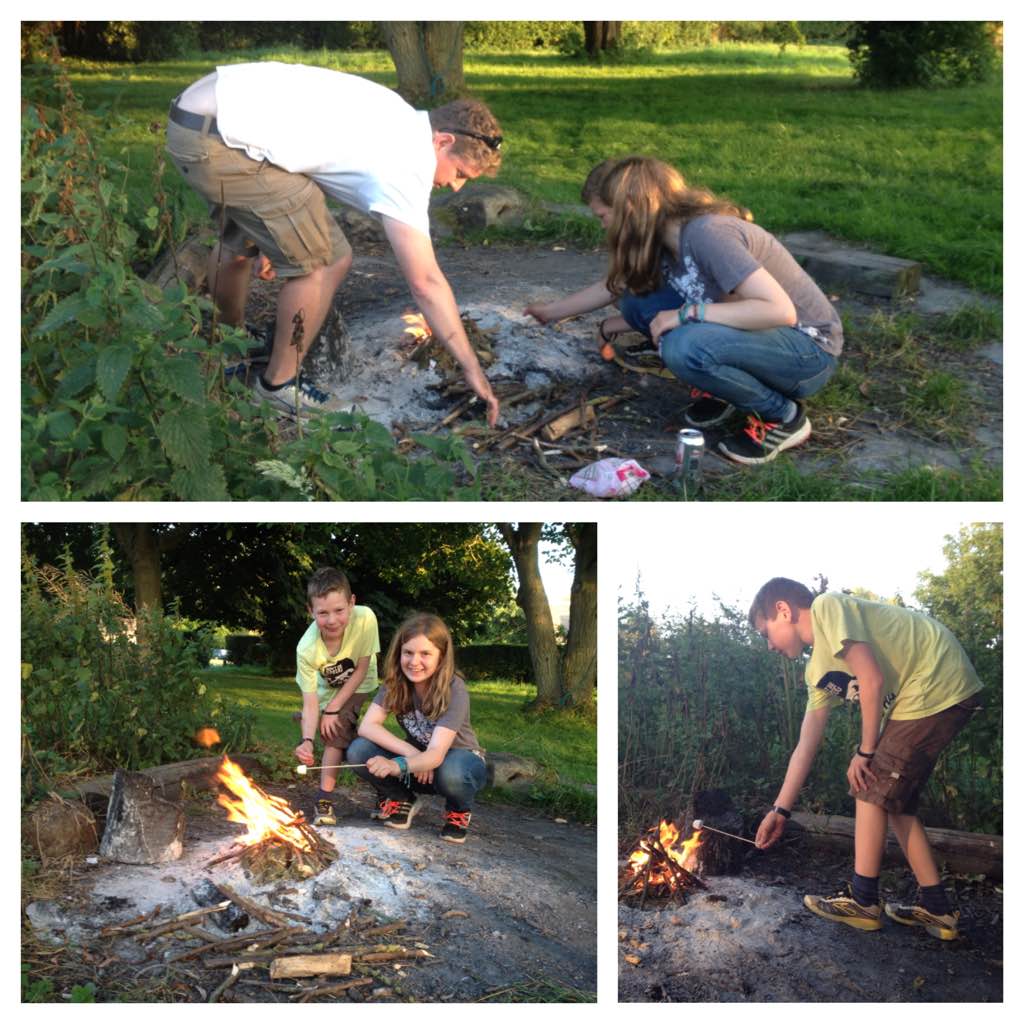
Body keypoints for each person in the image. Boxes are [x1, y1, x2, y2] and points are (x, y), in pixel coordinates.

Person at [165, 61, 501, 424]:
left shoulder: (400, 115)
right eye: (460, 173)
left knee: (241, 240)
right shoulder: (408, 165)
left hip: (197, 118)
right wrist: (471, 367)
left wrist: (268, 236)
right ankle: (278, 385)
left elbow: (306, 150)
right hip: (221, 141)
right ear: (443, 141)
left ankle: (227, 343)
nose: (455, 186)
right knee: (327, 260)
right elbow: (425, 282)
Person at [749, 578, 984, 940]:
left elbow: (871, 680)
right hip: (925, 692)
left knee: (870, 779)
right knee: (894, 800)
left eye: (767, 632)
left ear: (784, 610)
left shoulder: (826, 607)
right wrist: (780, 810)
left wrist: (866, 751)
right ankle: (938, 909)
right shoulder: (817, 673)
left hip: (936, 675)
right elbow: (805, 745)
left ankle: (863, 900)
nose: (768, 646)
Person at [346, 613, 487, 844]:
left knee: (452, 772)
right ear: (399, 652)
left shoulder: (454, 688)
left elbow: (437, 754)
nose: (414, 661)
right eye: (408, 652)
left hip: (458, 761)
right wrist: (411, 754)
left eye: (425, 654)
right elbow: (367, 727)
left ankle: (458, 811)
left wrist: (397, 764)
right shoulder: (395, 683)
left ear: (441, 656)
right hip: (421, 761)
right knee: (358, 750)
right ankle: (402, 799)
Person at [294, 567, 381, 827]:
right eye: (323, 613)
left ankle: (324, 799)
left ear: (352, 603)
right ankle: (381, 788)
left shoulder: (365, 618)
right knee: (328, 729)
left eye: (339, 610)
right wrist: (306, 740)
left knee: (335, 728)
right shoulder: (306, 649)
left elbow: (362, 668)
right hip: (327, 689)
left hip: (360, 682)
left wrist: (333, 710)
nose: (332, 620)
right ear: (311, 611)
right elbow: (310, 702)